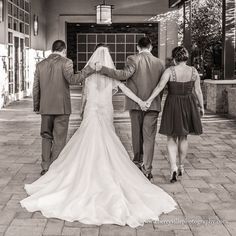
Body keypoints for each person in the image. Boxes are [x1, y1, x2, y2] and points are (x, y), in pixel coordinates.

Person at [20, 45, 176, 228]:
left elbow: (85, 96)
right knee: (108, 141)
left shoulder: (89, 76)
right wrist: (141, 101)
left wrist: (81, 110)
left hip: (91, 113)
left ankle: (54, 168)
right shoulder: (110, 75)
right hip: (105, 113)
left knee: (78, 141)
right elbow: (123, 90)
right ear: (107, 60)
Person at [98, 37, 165, 180]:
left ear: (137, 47)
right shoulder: (160, 63)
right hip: (152, 104)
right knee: (149, 137)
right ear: (151, 47)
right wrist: (153, 101)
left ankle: (137, 162)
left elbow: (123, 75)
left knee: (137, 134)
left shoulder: (133, 59)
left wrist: (102, 69)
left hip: (135, 104)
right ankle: (147, 169)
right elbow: (161, 86)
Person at [33, 40, 95, 176]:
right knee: (59, 138)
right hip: (61, 108)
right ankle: (54, 168)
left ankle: (45, 167)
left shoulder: (40, 65)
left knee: (46, 136)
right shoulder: (66, 62)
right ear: (64, 50)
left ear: (52, 49)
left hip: (45, 107)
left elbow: (36, 87)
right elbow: (73, 80)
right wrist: (89, 69)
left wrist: (37, 106)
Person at [144, 46, 204, 183]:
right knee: (183, 137)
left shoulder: (170, 71)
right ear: (186, 57)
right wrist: (201, 106)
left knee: (171, 138)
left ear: (175, 58)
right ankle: (181, 166)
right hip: (189, 105)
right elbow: (198, 91)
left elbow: (159, 87)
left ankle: (173, 168)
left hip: (173, 105)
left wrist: (148, 100)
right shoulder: (194, 71)